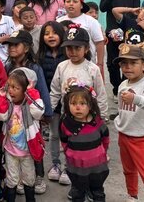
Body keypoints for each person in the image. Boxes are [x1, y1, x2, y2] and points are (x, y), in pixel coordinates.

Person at [49, 26, 108, 188]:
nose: (73, 52)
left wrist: (102, 116)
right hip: (67, 117)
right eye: (69, 48)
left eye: (77, 48)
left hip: (87, 119)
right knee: (68, 143)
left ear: (86, 48)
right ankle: (65, 167)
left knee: (83, 146)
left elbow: (101, 94)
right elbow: (55, 91)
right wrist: (49, 111)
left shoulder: (92, 69)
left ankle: (81, 173)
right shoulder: (62, 67)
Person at [113, 44, 144, 202]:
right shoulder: (123, 85)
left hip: (142, 138)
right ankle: (132, 196)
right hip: (124, 135)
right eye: (124, 63)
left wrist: (135, 99)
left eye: (133, 63)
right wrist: (119, 122)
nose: (128, 67)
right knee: (128, 170)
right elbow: (122, 109)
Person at [4, 30, 52, 195]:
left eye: (16, 44)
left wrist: (47, 113)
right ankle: (18, 178)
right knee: (16, 145)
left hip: (31, 114)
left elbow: (43, 89)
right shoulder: (8, 67)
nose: (11, 48)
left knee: (33, 144)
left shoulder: (34, 68)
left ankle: (38, 176)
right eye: (9, 45)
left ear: (26, 48)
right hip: (14, 114)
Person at [0, 69, 45, 202]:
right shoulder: (8, 103)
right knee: (11, 180)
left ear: (25, 89)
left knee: (29, 179)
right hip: (11, 151)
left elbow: (39, 112)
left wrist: (31, 92)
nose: (11, 91)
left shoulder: (30, 105)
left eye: (16, 88)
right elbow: (1, 116)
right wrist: (1, 98)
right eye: (9, 87)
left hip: (27, 152)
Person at [59, 85, 109, 202]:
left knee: (98, 192)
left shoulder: (97, 122)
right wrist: (70, 154)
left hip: (97, 168)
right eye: (73, 103)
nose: (78, 107)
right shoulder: (66, 123)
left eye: (82, 104)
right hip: (76, 168)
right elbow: (64, 141)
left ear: (90, 105)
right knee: (77, 192)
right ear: (67, 105)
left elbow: (105, 139)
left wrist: (103, 152)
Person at [99, 0, 140, 98]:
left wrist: (133, 29)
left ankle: (126, 87)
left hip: (129, 31)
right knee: (113, 62)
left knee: (129, 60)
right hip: (113, 32)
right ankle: (117, 88)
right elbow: (103, 8)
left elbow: (135, 11)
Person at [35, 21, 67, 184]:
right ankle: (56, 164)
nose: (51, 36)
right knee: (54, 135)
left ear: (61, 35)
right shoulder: (40, 57)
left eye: (54, 33)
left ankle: (68, 166)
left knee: (68, 136)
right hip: (51, 103)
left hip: (69, 104)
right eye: (47, 33)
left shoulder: (68, 54)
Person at [58, 0, 105, 78]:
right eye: (68, 1)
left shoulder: (91, 21)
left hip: (87, 64)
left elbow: (99, 43)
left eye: (75, 1)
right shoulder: (59, 21)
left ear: (82, 5)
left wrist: (100, 63)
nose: (71, 4)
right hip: (66, 65)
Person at [111, 5, 144, 70]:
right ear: (141, 10)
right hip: (129, 60)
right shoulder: (128, 22)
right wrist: (131, 10)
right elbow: (115, 10)